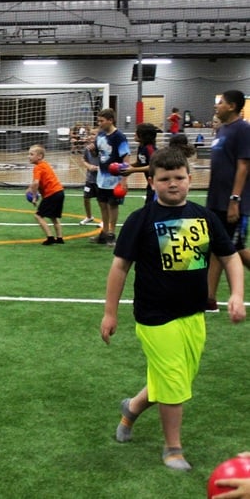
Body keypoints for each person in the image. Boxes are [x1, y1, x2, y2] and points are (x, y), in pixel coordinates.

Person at [100, 147, 245, 471]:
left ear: (190, 180)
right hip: (155, 317)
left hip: (193, 314)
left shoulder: (204, 216)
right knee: (174, 382)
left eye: (179, 177)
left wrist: (236, 293)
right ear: (151, 182)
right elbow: (120, 267)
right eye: (164, 179)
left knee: (174, 379)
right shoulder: (141, 220)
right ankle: (173, 448)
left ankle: (132, 408)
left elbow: (230, 256)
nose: (173, 183)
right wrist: (110, 313)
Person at [206, 90, 250, 311]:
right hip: (215, 201)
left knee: (236, 250)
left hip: (233, 203)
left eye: (220, 103)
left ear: (232, 106)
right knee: (216, 248)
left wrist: (235, 199)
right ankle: (209, 298)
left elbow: (243, 166)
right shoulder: (222, 130)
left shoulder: (243, 129)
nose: (217, 106)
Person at [91, 108, 130, 245]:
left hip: (115, 179)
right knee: (102, 204)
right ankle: (104, 232)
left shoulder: (119, 136)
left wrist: (124, 179)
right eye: (98, 121)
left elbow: (126, 157)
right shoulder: (100, 135)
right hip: (101, 177)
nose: (99, 124)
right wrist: (93, 150)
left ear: (110, 120)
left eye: (101, 121)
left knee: (112, 205)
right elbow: (98, 155)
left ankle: (112, 234)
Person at [26, 144, 65, 245]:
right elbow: (40, 182)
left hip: (51, 194)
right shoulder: (45, 164)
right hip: (59, 192)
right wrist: (29, 188)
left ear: (39, 156)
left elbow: (36, 183)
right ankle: (60, 238)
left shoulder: (38, 167)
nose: (28, 156)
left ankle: (50, 237)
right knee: (53, 217)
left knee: (38, 216)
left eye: (31, 154)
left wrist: (34, 197)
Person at [121, 123, 159, 205]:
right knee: (149, 207)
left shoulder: (150, 149)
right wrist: (127, 166)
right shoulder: (141, 147)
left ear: (143, 135)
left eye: (137, 132)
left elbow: (154, 166)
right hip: (150, 184)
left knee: (153, 208)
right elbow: (140, 162)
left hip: (158, 185)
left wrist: (133, 170)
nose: (134, 134)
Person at [79, 128, 101, 225]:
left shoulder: (103, 148)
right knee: (86, 198)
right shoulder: (87, 148)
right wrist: (89, 166)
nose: (91, 136)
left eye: (93, 134)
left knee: (101, 201)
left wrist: (99, 168)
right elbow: (84, 160)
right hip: (90, 179)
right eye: (90, 134)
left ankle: (104, 220)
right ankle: (89, 217)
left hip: (100, 180)